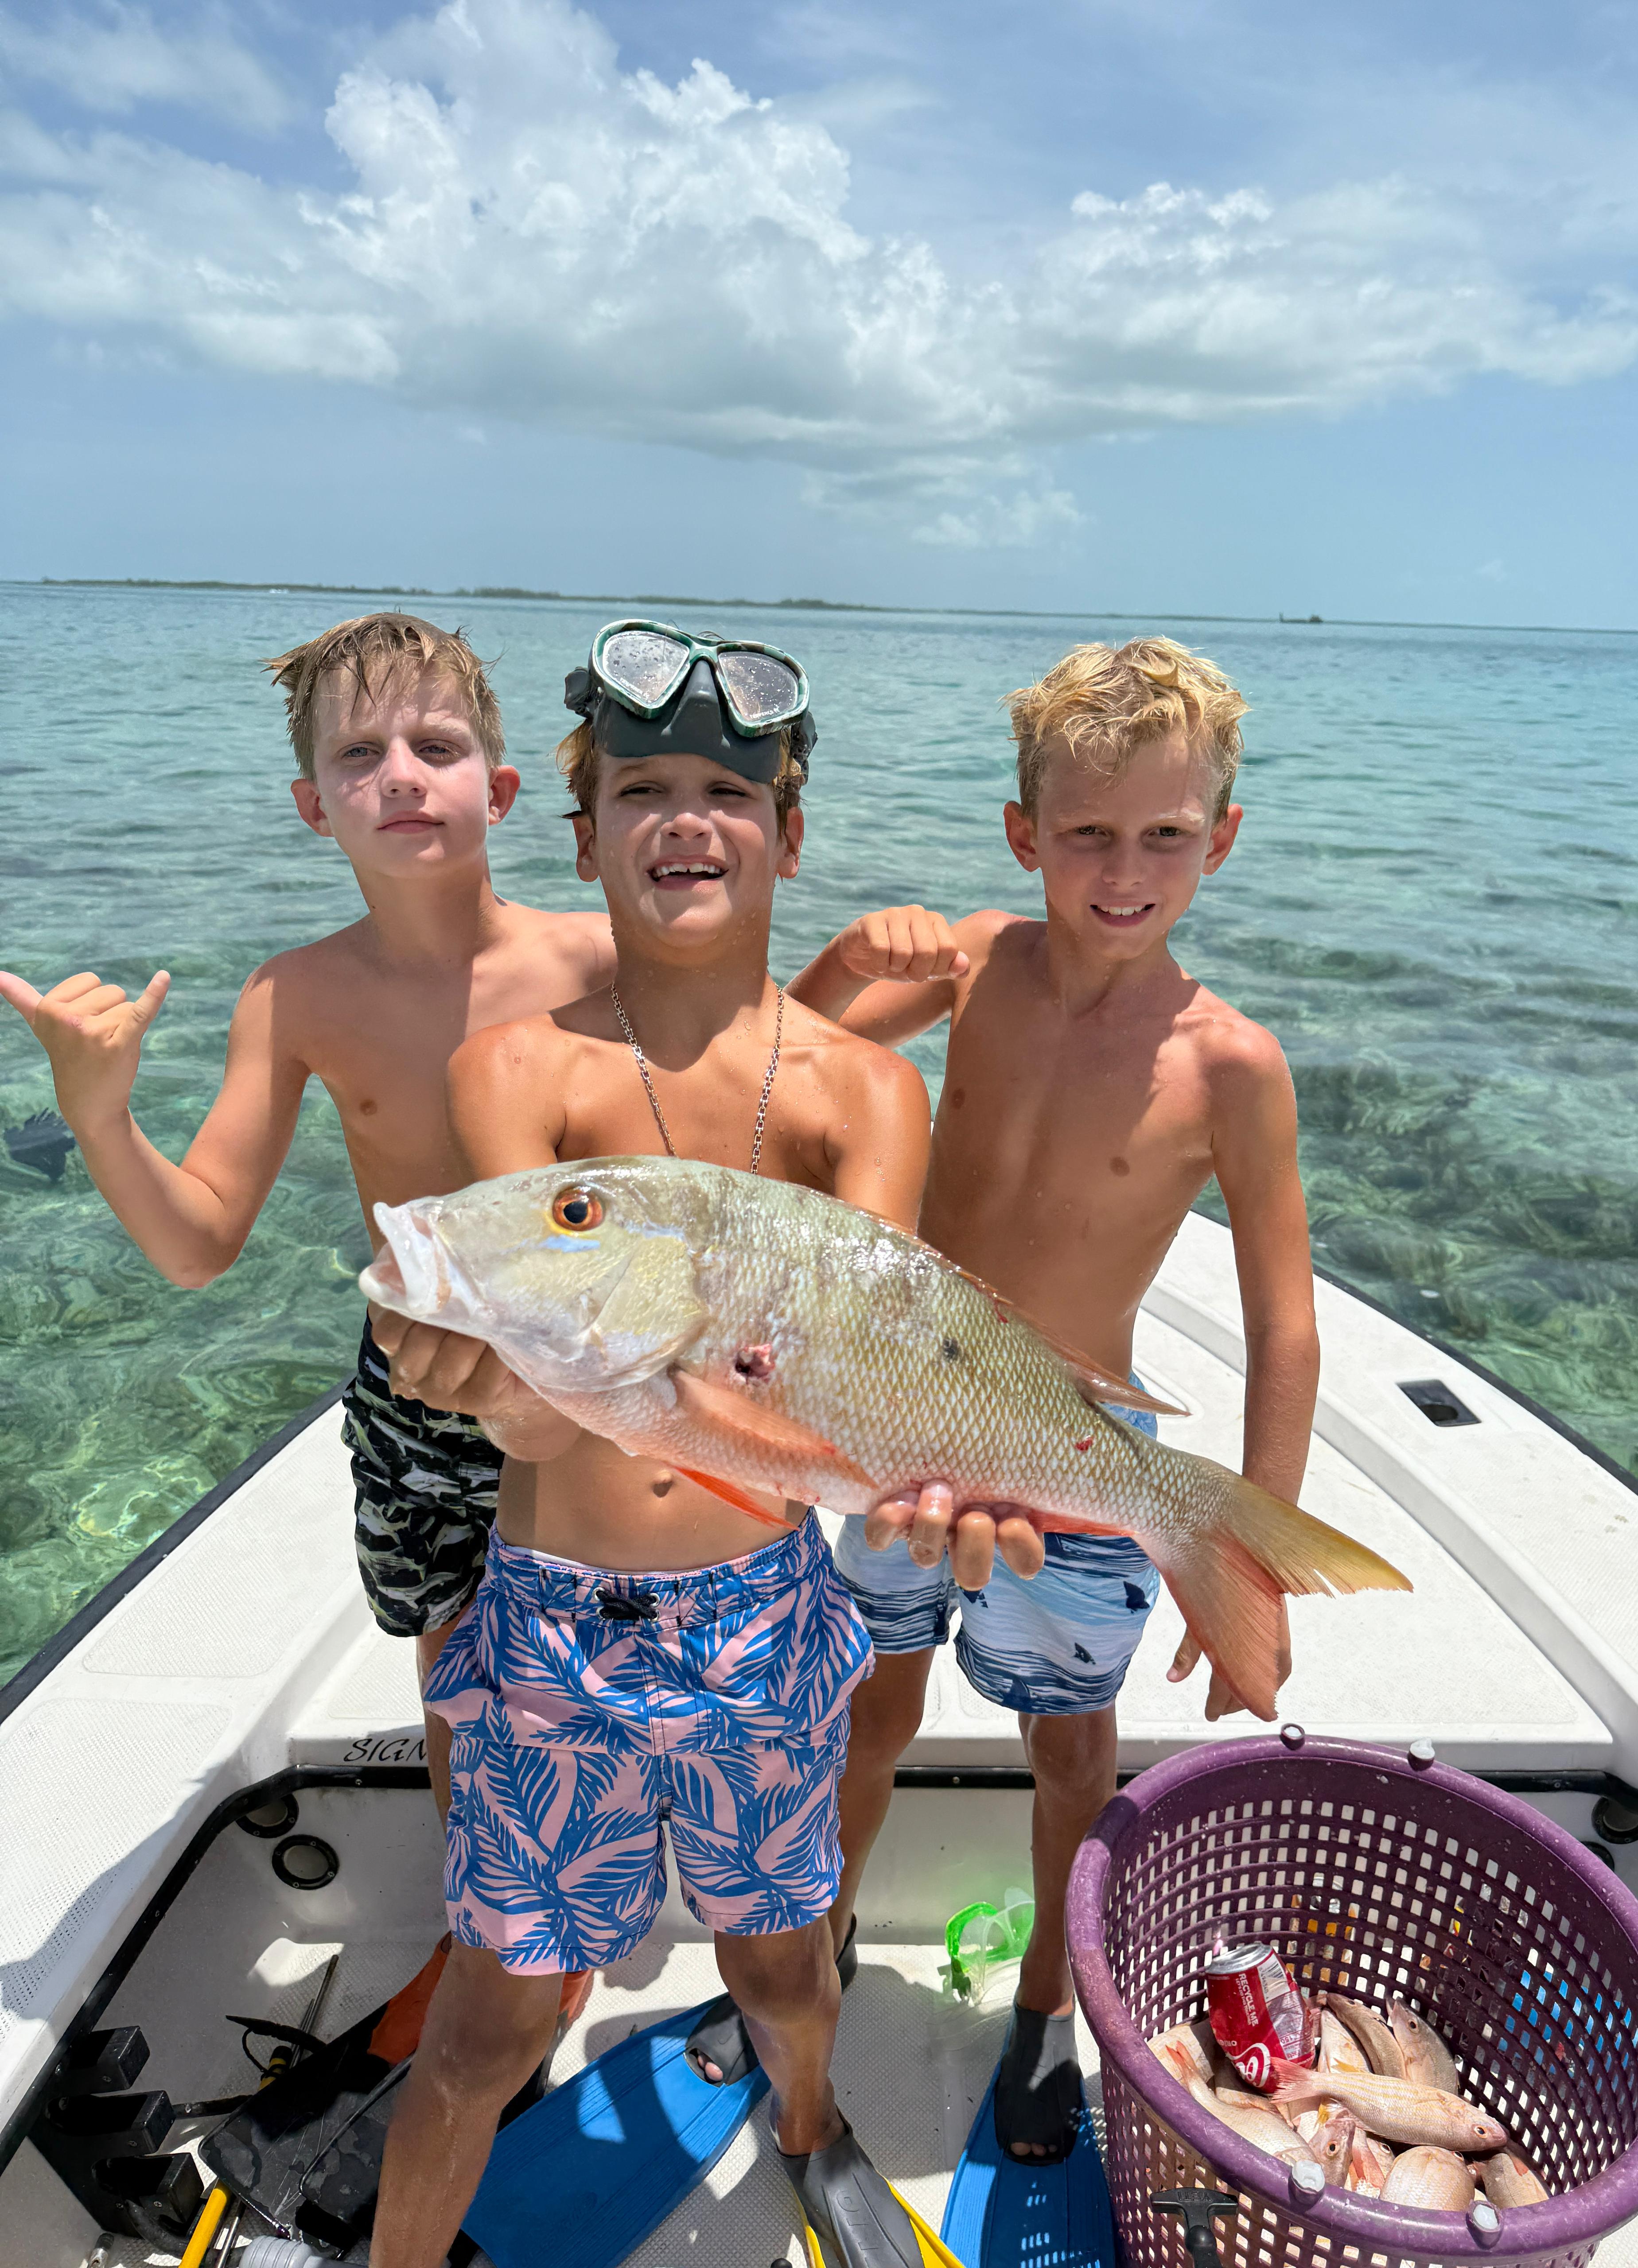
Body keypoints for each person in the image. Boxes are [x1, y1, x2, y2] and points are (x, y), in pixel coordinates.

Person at [362, 622, 937, 2268]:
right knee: (490, 2024)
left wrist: (943, 1487)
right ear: (588, 831)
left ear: (791, 832)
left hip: (765, 1619)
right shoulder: (514, 1067)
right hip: (554, 1631)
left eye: (725, 791)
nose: (686, 820)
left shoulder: (867, 1093)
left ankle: (813, 2136)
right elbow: (536, 1373)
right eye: (643, 791)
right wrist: (467, 1381)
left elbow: (858, 1379)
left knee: (780, 1966)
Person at [785, 636, 1319, 2168]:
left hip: (1080, 1451)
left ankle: (1045, 2014)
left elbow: (1287, 1331)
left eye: (1165, 835)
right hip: (900, 1424)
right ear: (1025, 832)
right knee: (865, 1709)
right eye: (1087, 832)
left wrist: (1253, 1568)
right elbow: (785, 1065)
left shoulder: (1234, 1067)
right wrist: (846, 960)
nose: (1123, 868)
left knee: (1073, 1754)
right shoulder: (970, 963)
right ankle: (813, 1963)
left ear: (1220, 838)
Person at [0, 613, 616, 1824]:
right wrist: (102, 1116)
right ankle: (477, 1913)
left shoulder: (601, 963)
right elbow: (198, 1245)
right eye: (358, 755)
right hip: (416, 1398)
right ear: (310, 805)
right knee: (457, 1685)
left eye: (434, 744)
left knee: (599, 1670)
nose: (397, 772)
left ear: (498, 789)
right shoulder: (297, 995)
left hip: (578, 1380)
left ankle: (594, 1902)